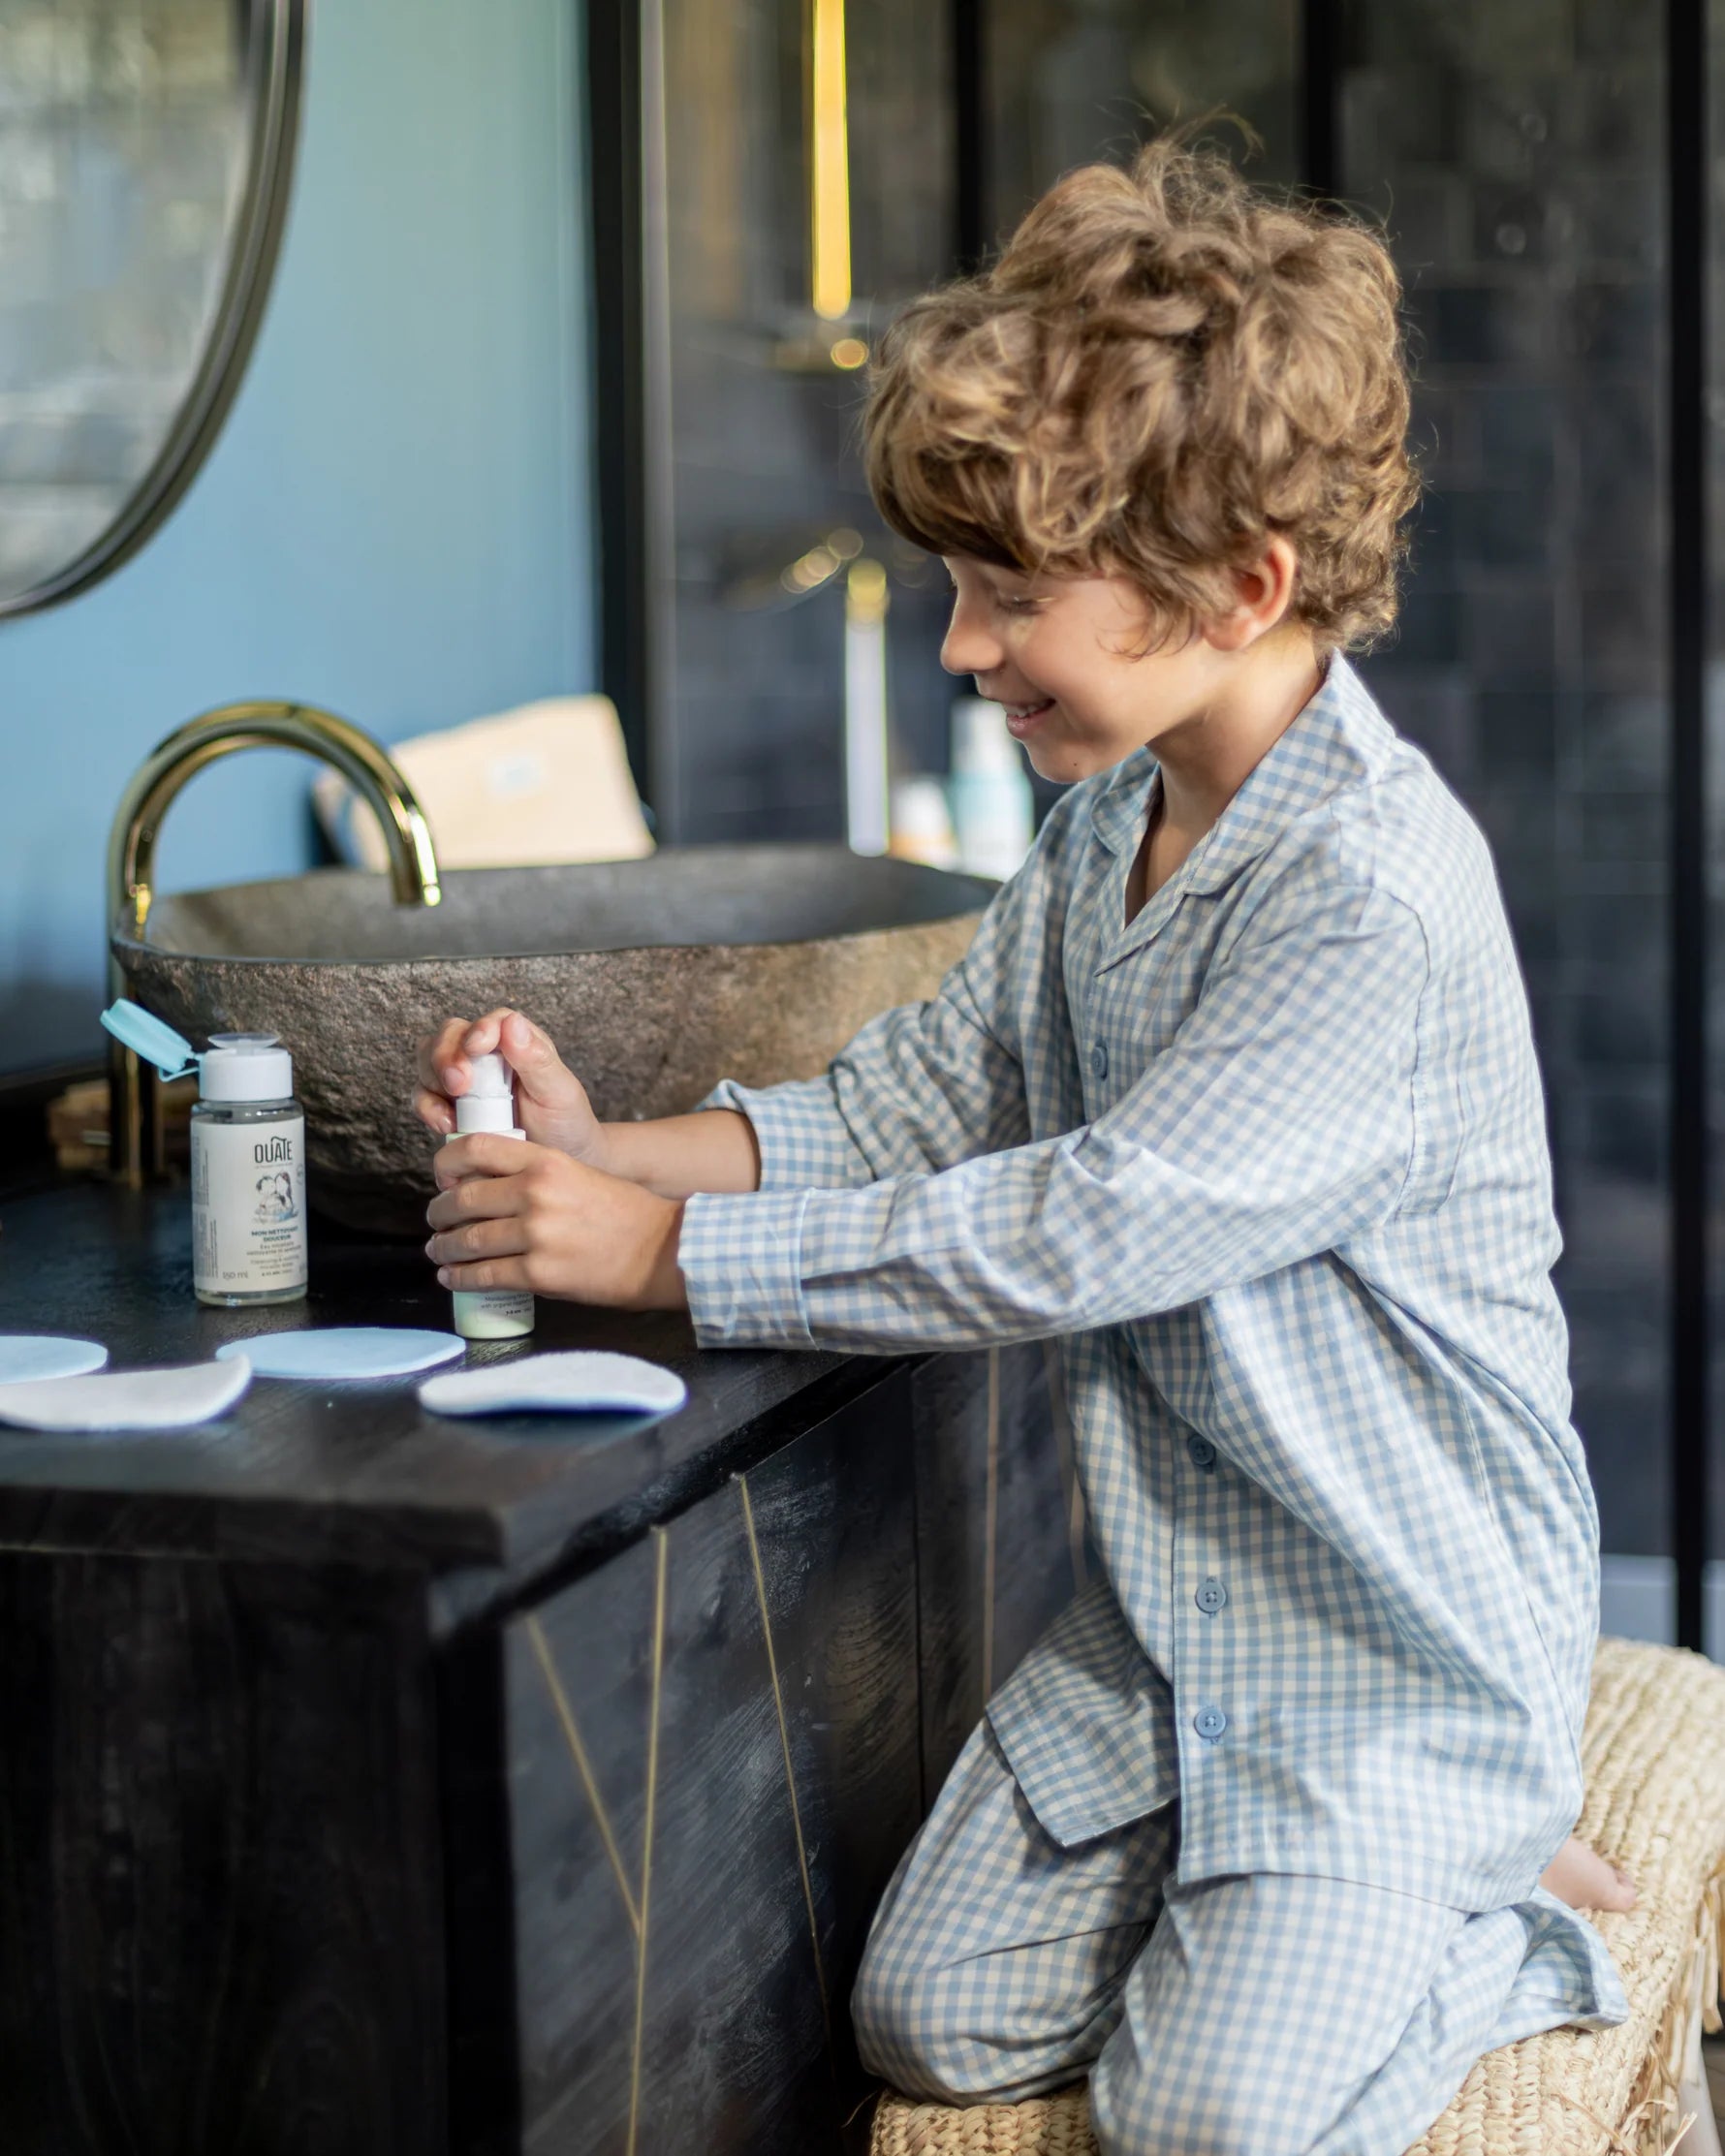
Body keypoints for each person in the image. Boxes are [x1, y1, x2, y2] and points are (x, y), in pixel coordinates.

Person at [416, 134, 1638, 2154]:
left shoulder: (1370, 896)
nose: (960, 652)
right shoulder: (1102, 828)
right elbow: (926, 1100)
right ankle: (1308, 1905)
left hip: (1384, 1658)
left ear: (1237, 587)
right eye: (955, 592)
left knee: (1203, 2122)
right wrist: (611, 1151)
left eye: (1007, 597)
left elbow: (1082, 1227)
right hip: (1178, 1633)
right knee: (931, 2014)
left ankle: (1481, 1896)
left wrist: (648, 1265)